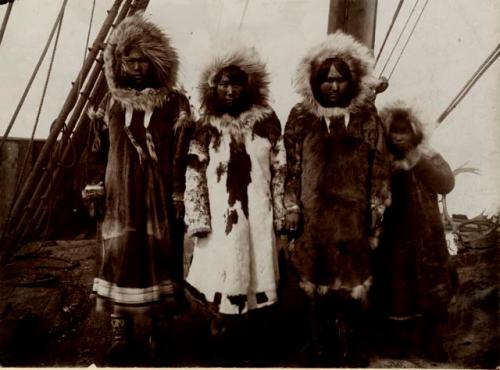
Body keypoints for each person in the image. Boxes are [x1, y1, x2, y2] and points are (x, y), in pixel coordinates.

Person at [84, 13, 192, 365]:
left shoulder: (174, 103)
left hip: (158, 196)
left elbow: (181, 152)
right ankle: (121, 334)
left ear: (156, 60)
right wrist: (94, 187)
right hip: (119, 197)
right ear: (120, 61)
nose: (136, 67)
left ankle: (160, 332)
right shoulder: (110, 102)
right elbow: (97, 148)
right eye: (129, 60)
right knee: (120, 257)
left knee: (161, 256)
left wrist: (179, 195)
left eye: (143, 59)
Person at [283, 31, 391, 366]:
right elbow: (290, 165)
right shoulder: (301, 116)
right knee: (313, 279)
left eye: (340, 80)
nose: (333, 87)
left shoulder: (366, 118)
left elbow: (380, 165)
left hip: (352, 214)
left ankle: (349, 344)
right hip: (312, 214)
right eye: (326, 80)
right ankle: (317, 342)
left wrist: (376, 204)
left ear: (352, 82)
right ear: (314, 82)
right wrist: (290, 205)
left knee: (350, 280)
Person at [183, 47, 286, 365]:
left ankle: (251, 341)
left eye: (236, 83)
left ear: (248, 86)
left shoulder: (266, 122)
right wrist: (198, 218)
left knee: (256, 275)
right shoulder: (206, 126)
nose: (230, 90)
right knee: (220, 276)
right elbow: (194, 174)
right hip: (220, 217)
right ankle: (220, 336)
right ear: (213, 87)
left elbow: (280, 170)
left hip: (257, 213)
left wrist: (281, 213)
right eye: (223, 84)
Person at [371, 101, 457, 361]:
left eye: (404, 131)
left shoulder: (427, 155)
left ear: (414, 132)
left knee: (430, 287)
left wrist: (417, 161)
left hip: (426, 236)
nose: (398, 136)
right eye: (394, 131)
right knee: (397, 288)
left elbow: (446, 183)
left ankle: (430, 341)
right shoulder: (381, 159)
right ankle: (399, 342)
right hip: (394, 237)